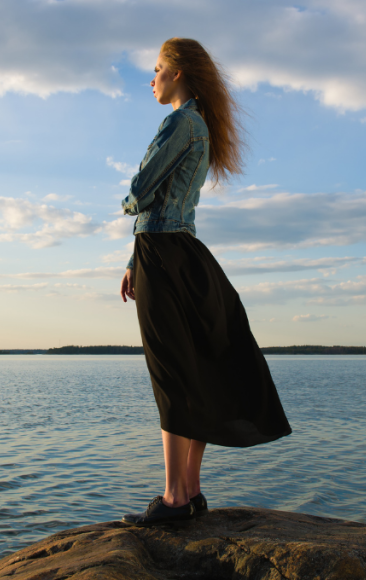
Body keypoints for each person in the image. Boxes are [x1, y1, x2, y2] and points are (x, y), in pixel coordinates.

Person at [119, 38, 292, 526]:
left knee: (173, 376)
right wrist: (134, 259)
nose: (150, 79)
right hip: (182, 254)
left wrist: (128, 206)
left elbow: (140, 192)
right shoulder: (202, 126)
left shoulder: (179, 123)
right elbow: (171, 207)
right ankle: (191, 492)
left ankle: (174, 498)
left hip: (164, 255)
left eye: (156, 69)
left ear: (177, 74)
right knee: (191, 372)